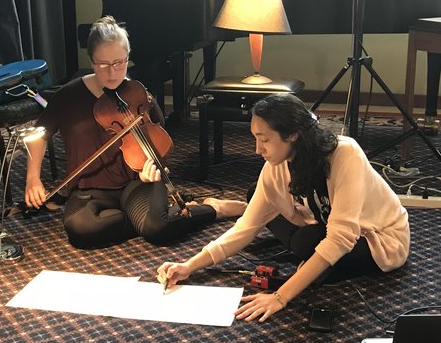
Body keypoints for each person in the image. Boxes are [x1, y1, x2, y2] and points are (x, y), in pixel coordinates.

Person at [157, 93, 410, 322]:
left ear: (292, 134)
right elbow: (245, 228)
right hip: (319, 222)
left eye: (264, 139)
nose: (257, 149)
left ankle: (309, 260)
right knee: (272, 211)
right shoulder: (275, 167)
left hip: (376, 235)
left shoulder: (345, 153)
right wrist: (189, 265)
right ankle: (302, 253)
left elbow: (340, 239)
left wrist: (280, 296)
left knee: (307, 246)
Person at [24, 15, 246, 248]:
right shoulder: (69, 96)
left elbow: (158, 138)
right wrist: (32, 179)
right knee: (81, 231)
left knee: (158, 230)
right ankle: (155, 217)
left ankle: (212, 209)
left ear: (128, 58)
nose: (112, 73)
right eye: (103, 65)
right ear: (91, 60)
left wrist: (151, 167)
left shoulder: (138, 94)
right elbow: (39, 134)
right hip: (88, 189)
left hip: (135, 183)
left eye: (119, 63)